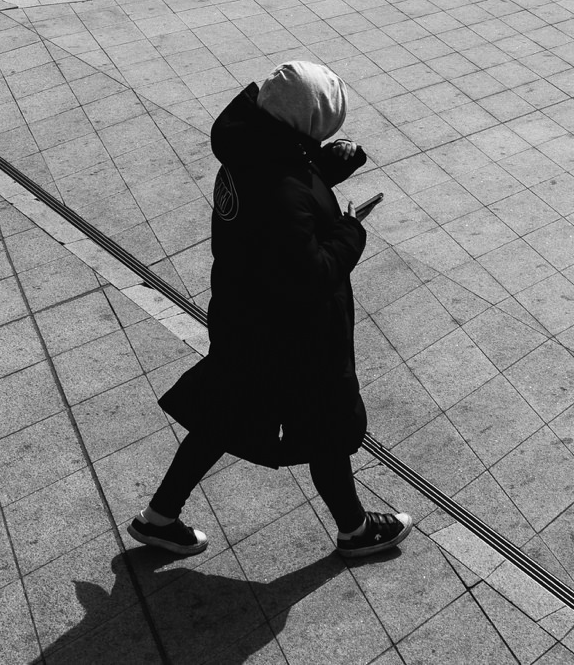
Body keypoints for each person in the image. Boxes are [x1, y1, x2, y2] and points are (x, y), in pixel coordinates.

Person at [127, 61, 414, 560]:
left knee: (223, 415)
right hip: (293, 333)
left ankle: (160, 516)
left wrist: (320, 171)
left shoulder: (248, 151)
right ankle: (354, 529)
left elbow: (273, 212)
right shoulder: (280, 186)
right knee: (325, 424)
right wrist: (350, 231)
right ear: (305, 123)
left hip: (245, 316)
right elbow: (310, 274)